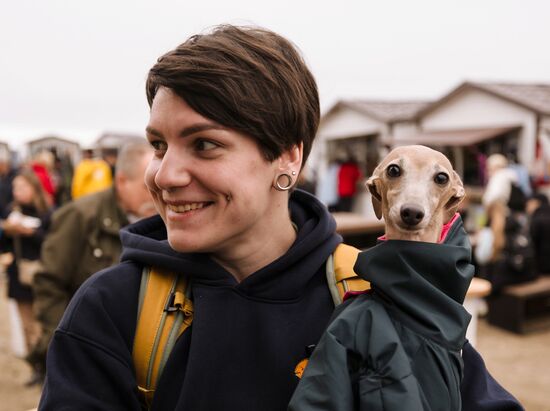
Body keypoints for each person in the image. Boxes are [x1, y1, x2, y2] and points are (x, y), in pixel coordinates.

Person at [39, 25, 523, 410]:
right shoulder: (113, 308)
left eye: (204, 144)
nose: (163, 176)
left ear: (288, 158)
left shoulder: (377, 290)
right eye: (159, 146)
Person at [29, 140, 155, 384]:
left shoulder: (162, 220)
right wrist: (65, 343)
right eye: (147, 186)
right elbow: (49, 282)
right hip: (85, 352)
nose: (158, 193)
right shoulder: (79, 216)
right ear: (121, 182)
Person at [0, 170, 53, 362]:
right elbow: (4, 245)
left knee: (43, 323)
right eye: (15, 187)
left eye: (22, 187)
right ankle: (35, 365)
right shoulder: (10, 211)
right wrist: (8, 231)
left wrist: (31, 233)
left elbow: (53, 243)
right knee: (26, 325)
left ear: (34, 188)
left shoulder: (47, 212)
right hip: (18, 274)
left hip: (42, 274)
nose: (17, 192)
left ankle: (46, 364)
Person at [527, 192, 550, 274]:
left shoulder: (537, 219)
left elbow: (531, 244)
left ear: (536, 203)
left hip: (544, 267)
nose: (526, 206)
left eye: (529, 203)